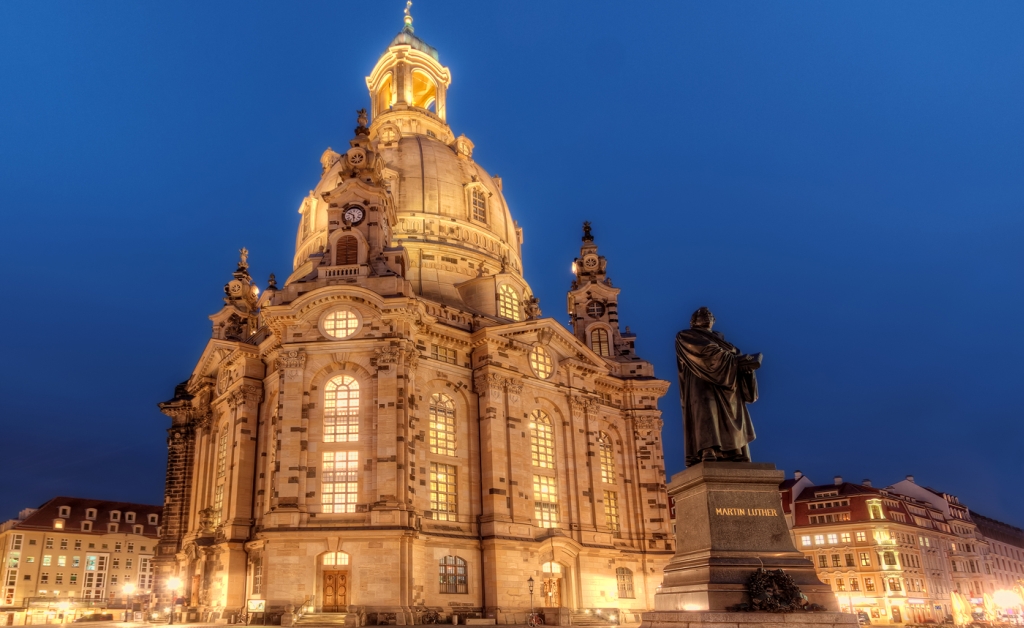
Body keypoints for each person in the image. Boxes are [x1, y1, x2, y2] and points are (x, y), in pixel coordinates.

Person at [675, 307, 762, 466]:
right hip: (702, 383)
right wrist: (735, 359)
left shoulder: (725, 342)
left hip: (728, 387)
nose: (707, 317)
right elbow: (706, 352)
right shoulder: (686, 336)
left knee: (732, 415)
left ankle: (735, 450)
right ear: (693, 321)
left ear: (714, 320)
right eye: (702, 315)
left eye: (709, 315)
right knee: (706, 414)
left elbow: (731, 357)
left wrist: (747, 367)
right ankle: (707, 449)